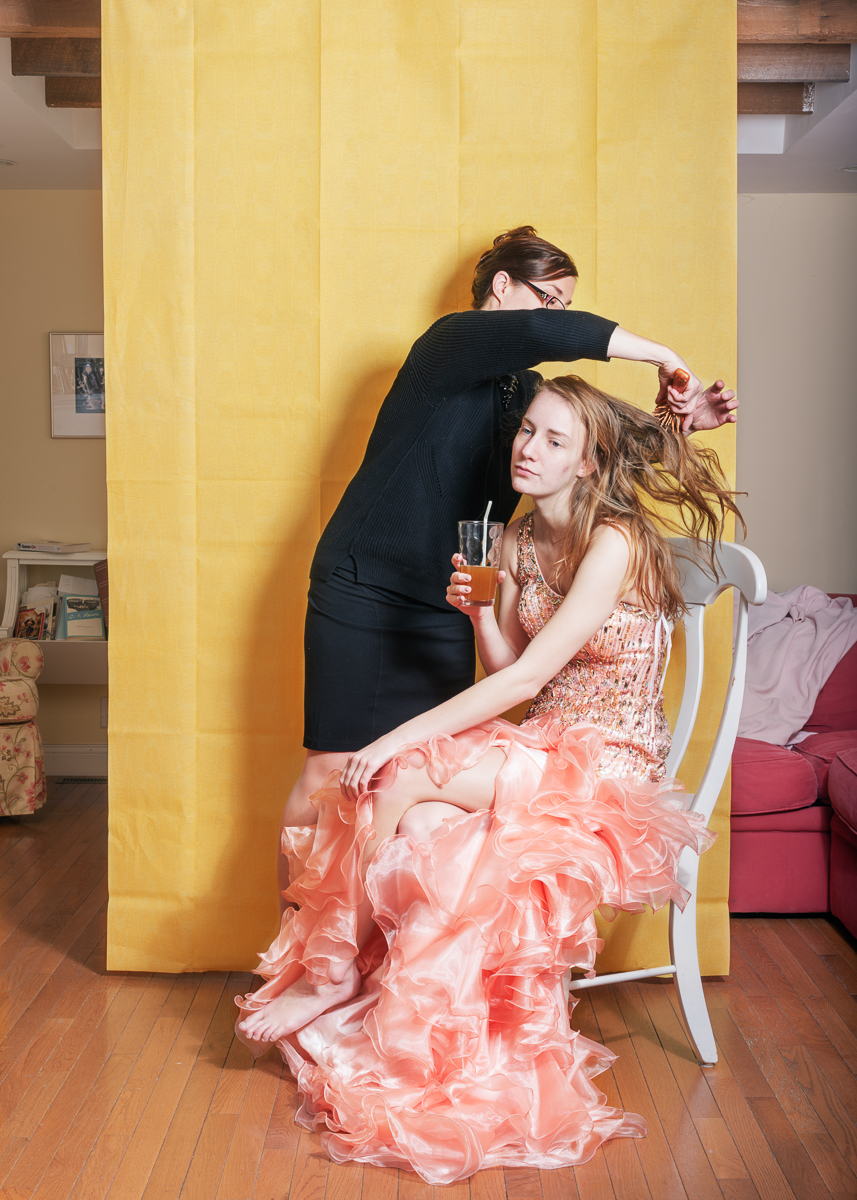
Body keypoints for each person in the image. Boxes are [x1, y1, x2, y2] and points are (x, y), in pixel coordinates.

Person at [236, 374, 743, 1184]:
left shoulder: (612, 540)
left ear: (586, 465)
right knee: (431, 831)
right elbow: (511, 668)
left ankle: (329, 974)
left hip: (605, 761)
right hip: (546, 739)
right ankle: (423, 1038)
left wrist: (394, 736)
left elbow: (515, 684)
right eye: (527, 432)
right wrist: (481, 611)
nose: (527, 448)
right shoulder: (512, 538)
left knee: (396, 773)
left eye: (552, 440)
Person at [279, 225, 737, 902]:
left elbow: (591, 448)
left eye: (561, 305)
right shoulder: (448, 344)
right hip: (364, 587)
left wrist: (679, 421)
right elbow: (559, 337)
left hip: (445, 602)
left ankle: (369, 969)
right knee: (331, 771)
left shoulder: (525, 390)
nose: (553, 318)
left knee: (406, 773)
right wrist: (664, 357)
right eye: (546, 301)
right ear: (502, 288)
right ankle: (294, 956)